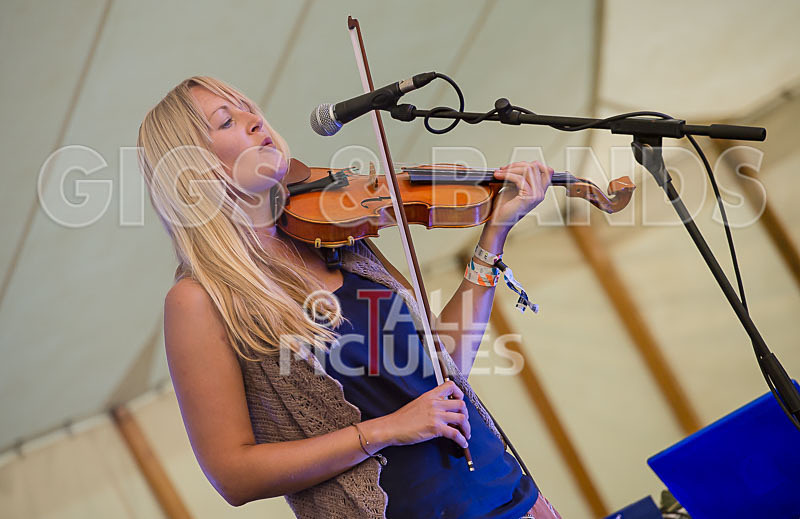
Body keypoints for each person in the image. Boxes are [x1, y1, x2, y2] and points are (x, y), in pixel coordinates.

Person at [137, 76, 561, 519]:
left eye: (246, 106)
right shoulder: (199, 301)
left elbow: (447, 365)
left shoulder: (339, 237)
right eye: (226, 121)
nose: (253, 118)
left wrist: (493, 235)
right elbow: (234, 474)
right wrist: (386, 430)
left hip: (515, 499)